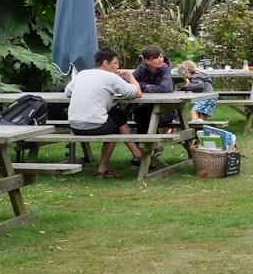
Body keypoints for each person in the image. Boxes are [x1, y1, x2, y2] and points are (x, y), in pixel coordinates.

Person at [68, 47, 144, 177]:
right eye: (115, 63)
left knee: (114, 117)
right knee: (118, 118)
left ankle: (136, 154)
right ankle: (136, 155)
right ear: (105, 63)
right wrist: (130, 76)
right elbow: (137, 93)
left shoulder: (82, 74)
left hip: (75, 126)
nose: (117, 66)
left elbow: (68, 92)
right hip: (95, 126)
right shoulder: (110, 77)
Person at [130, 45, 174, 134]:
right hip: (144, 107)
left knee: (144, 115)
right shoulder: (141, 69)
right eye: (156, 58)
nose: (160, 60)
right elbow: (128, 83)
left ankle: (143, 144)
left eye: (161, 56)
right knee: (142, 112)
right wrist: (146, 85)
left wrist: (143, 88)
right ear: (147, 61)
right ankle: (148, 143)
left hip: (165, 110)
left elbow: (165, 88)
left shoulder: (165, 70)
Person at [172, 60, 216, 126]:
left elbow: (200, 86)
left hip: (205, 98)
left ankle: (195, 128)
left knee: (193, 112)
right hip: (211, 97)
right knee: (203, 117)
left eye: (182, 74)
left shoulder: (195, 77)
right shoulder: (201, 75)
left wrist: (188, 85)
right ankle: (202, 131)